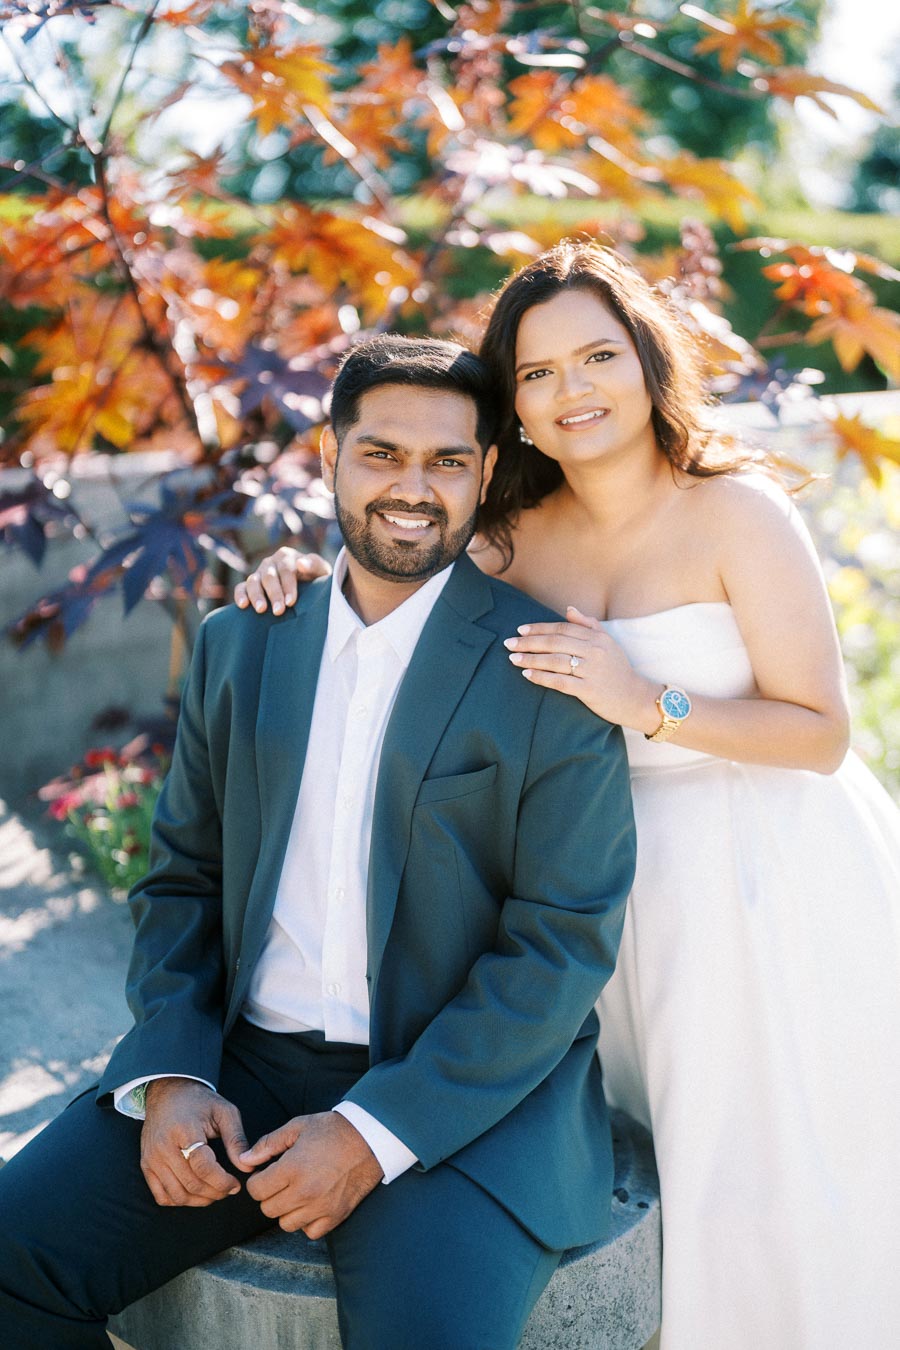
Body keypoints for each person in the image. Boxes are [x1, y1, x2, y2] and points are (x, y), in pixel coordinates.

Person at [237, 243, 900, 1350]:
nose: (572, 390)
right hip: (598, 887)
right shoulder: (512, 541)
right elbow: (395, 585)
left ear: (647, 361)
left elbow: (821, 733)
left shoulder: (737, 512)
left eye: (598, 356)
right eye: (538, 373)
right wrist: (302, 575)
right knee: (650, 1169)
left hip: (761, 879)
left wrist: (647, 701)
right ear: (515, 405)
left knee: (769, 1172)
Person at [0, 335, 638, 1350]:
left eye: (446, 461)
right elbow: (183, 881)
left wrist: (373, 1134)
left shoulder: (547, 673)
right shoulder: (242, 641)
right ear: (331, 455)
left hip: (458, 1093)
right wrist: (171, 1073)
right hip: (243, 1062)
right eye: (381, 454)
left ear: (484, 474)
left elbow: (560, 944)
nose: (412, 488)